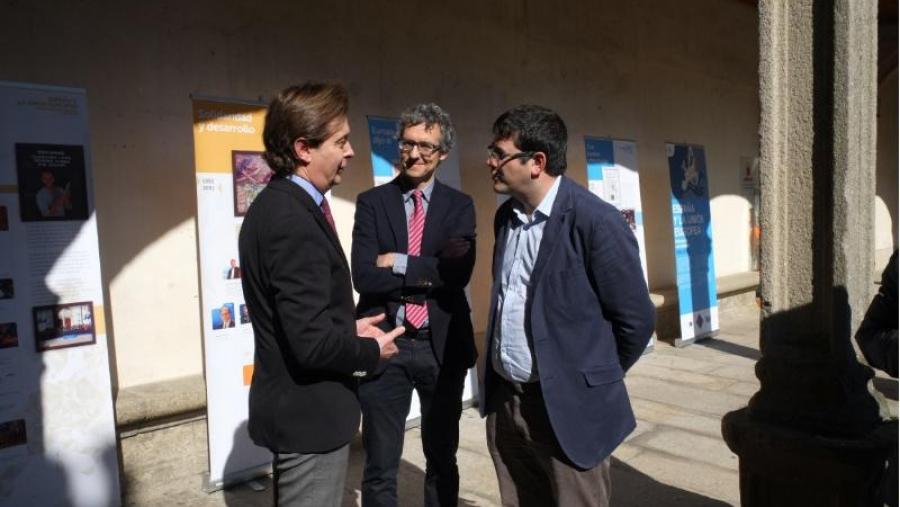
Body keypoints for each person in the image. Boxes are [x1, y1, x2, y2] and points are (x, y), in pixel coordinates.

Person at [479, 105, 655, 506]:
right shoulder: (506, 217)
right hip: (509, 401)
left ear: (536, 162)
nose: (490, 162)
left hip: (569, 410)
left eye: (499, 153)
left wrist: (587, 378)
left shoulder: (596, 221)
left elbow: (636, 320)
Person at [238, 82, 404, 507]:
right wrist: (369, 350)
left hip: (304, 412)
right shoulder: (290, 217)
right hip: (308, 419)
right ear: (303, 148)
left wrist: (344, 327)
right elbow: (309, 344)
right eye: (341, 141)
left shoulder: (285, 205)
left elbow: (297, 317)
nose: (351, 152)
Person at [351, 103, 476, 507]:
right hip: (387, 344)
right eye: (408, 143)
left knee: (442, 457)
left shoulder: (460, 206)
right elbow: (364, 276)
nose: (415, 153)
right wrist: (430, 270)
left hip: (441, 346)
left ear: (442, 153)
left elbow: (457, 274)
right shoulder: (372, 203)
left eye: (426, 145)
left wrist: (398, 261)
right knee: (381, 463)